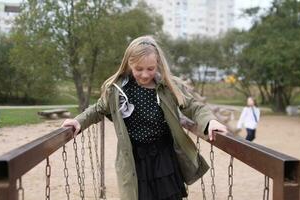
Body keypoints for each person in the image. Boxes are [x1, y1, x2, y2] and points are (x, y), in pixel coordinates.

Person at [61, 35, 227, 200]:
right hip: (135, 160)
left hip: (163, 157)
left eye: (150, 68)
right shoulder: (117, 90)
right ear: (129, 65)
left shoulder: (167, 87)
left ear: (158, 65)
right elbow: (97, 110)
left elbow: (193, 106)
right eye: (139, 69)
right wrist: (78, 121)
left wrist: (210, 122)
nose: (145, 74)